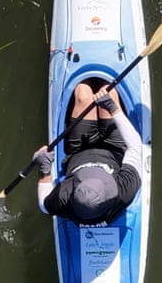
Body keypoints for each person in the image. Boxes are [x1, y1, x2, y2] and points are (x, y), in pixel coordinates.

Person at [32, 81, 142, 225]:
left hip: (78, 151)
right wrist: (113, 108)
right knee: (108, 91)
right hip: (114, 148)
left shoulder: (63, 200)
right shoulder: (124, 191)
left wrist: (44, 170)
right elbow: (134, 146)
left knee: (83, 94)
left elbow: (44, 205)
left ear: (74, 191)